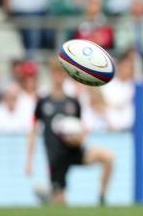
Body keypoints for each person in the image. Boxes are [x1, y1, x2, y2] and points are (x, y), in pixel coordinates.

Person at [24, 60, 115, 205]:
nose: (59, 77)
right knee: (60, 202)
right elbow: (33, 131)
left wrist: (78, 139)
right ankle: (50, 198)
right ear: (51, 75)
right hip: (56, 157)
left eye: (62, 73)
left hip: (74, 150)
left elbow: (81, 129)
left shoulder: (73, 102)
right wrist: (29, 161)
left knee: (108, 157)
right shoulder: (43, 102)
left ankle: (102, 197)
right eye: (56, 73)